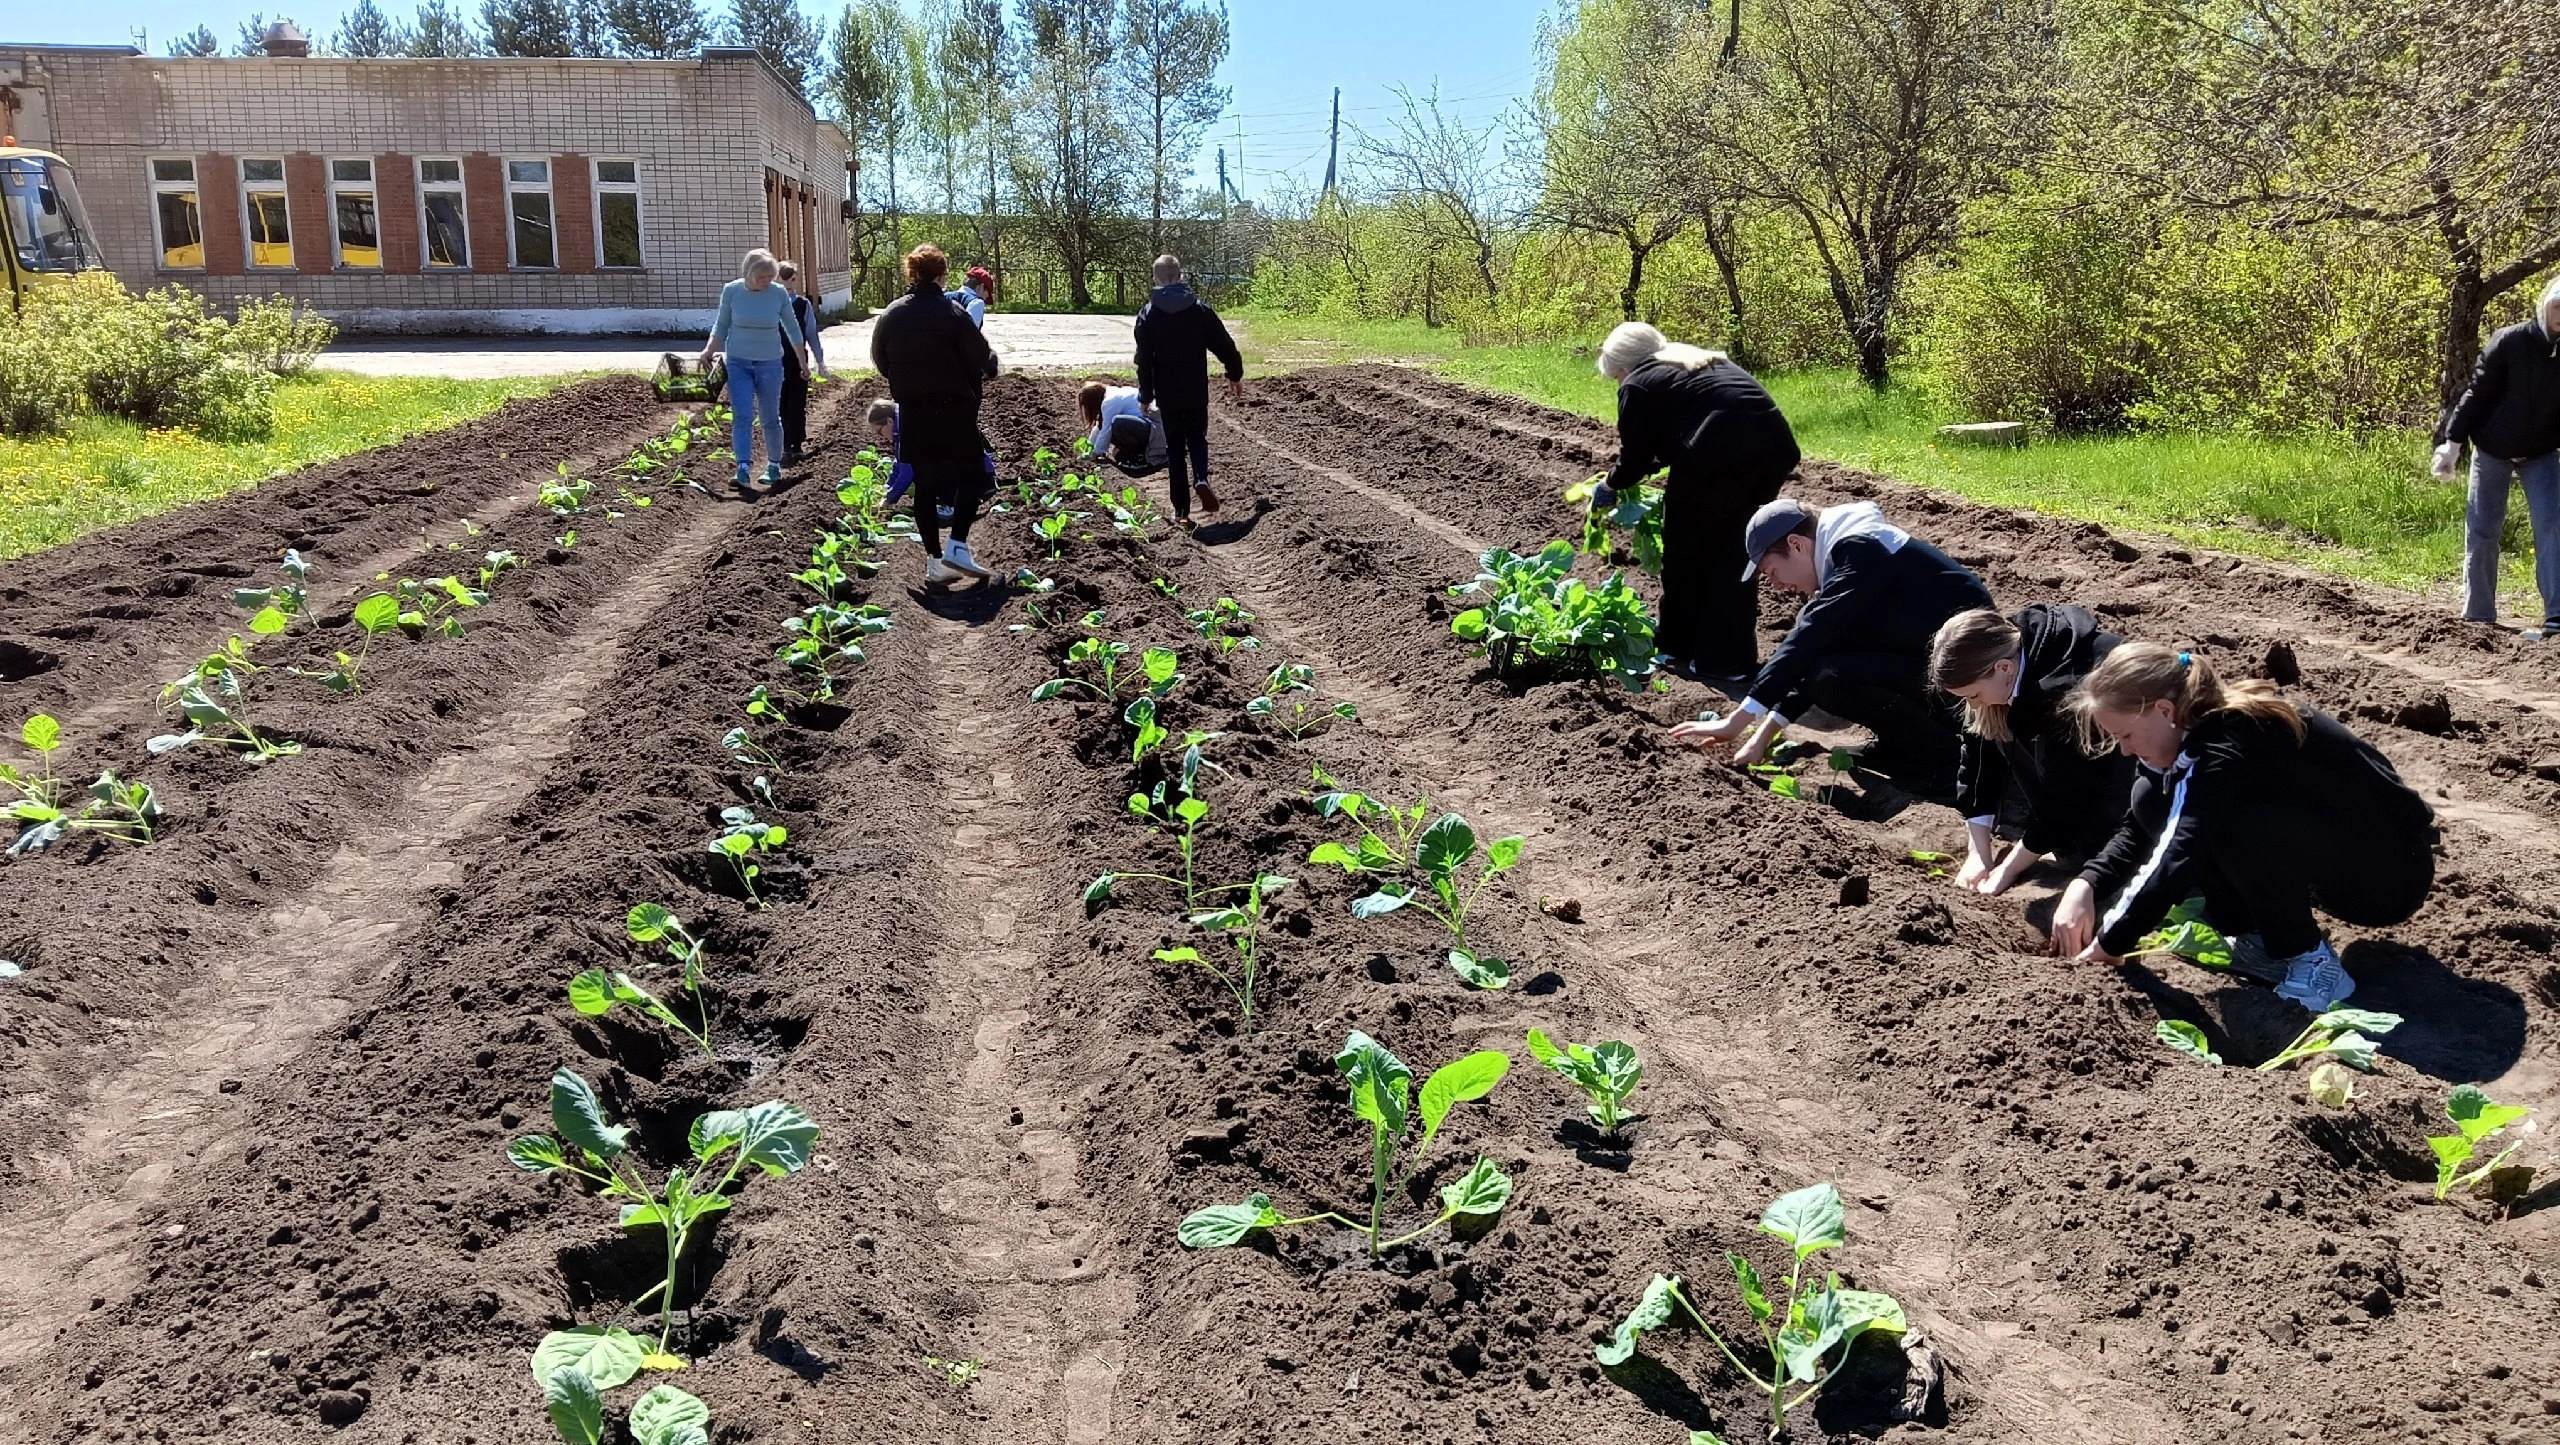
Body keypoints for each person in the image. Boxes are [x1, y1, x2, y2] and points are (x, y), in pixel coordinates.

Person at [2050, 643, 2436, 1012]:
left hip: (2389, 874)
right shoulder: (2188, 733)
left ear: (2165, 710)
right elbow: (2140, 827)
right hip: (2336, 855)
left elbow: (2178, 852)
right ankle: (2260, 942)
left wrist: (2110, 942)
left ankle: (2313, 964)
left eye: (2126, 735)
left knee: (2237, 826)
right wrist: (2085, 885)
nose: (2125, 750)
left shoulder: (2226, 741)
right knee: (2149, 797)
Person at [1669, 497, 1992, 802]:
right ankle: (1905, 748)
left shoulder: (1859, 551)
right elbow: (1816, 646)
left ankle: (1948, 764)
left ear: (1796, 545)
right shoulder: (1847, 558)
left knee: (1831, 677)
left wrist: (1737, 721)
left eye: (1771, 572)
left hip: (1972, 672)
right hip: (1933, 661)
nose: (1777, 585)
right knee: (1825, 667)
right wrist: (1762, 736)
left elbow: (1810, 637)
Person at [1591, 322, 1801, 684]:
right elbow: (1681, 431)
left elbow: (1636, 457)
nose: (1617, 382)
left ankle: (1677, 646)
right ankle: (1728, 662)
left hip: (1719, 460)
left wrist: (1610, 485)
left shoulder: (1638, 384)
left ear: (1621, 366)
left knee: (1686, 552)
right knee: (1737, 550)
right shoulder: (1695, 361)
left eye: (1615, 376)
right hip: (1774, 451)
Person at [1928, 605, 2138, 896]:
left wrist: (2008, 869)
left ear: (2003, 668)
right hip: (2083, 759)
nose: (1974, 704)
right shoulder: (2008, 646)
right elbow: (1977, 755)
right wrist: (1978, 852)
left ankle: (2101, 849)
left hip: (2140, 761)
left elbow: (2063, 798)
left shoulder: (2062, 696)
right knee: (1997, 726)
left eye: (1974, 695)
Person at [2435, 276, 2560, 638]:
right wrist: (2452, 444)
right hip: (2493, 448)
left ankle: (2556, 616)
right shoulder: (2509, 341)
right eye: (2557, 306)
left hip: (2541, 453)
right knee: (2484, 529)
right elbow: (2477, 394)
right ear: (2544, 306)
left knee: (2553, 526)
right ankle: (2479, 615)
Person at [870, 244, 1000, 584]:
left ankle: (934, 560)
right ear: (942, 276)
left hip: (913, 409)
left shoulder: (892, 314)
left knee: (925, 486)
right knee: (973, 475)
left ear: (911, 274)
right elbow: (979, 353)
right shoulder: (951, 312)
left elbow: (880, 359)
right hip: (952, 407)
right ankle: (957, 543)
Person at [1132, 254, 1244, 528]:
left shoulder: (1148, 314)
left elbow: (1144, 360)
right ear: (1181, 276)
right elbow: (1224, 344)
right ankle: (1202, 478)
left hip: (1167, 392)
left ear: (1156, 279)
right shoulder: (1199, 310)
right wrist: (1234, 373)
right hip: (1195, 387)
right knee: (1196, 437)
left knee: (1174, 447)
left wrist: (1145, 395)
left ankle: (1181, 511)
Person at [697, 248, 810, 497]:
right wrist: (708, 350)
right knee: (742, 416)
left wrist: (803, 362)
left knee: (770, 417)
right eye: (763, 277)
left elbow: (792, 328)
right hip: (738, 362)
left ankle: (773, 467)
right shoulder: (732, 291)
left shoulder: (778, 293)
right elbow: (722, 324)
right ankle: (743, 469)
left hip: (770, 362)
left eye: (771, 277)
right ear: (750, 273)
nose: (767, 282)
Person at [774, 260, 829, 466]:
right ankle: (781, 445)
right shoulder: (770, 305)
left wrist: (819, 361)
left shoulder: (802, 304)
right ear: (777, 279)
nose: (790, 284)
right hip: (774, 362)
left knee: (796, 403)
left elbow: (811, 334)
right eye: (785, 279)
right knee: (779, 405)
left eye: (793, 279)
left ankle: (796, 445)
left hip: (798, 362)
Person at [1079, 379, 1167, 475]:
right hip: (1152, 427)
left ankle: (1140, 458)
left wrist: (1096, 453)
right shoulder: (1113, 393)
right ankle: (1133, 455)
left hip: (1157, 431)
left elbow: (1106, 430)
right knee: (1114, 426)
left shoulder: (1110, 401)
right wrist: (1088, 449)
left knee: (1118, 423)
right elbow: (1099, 427)